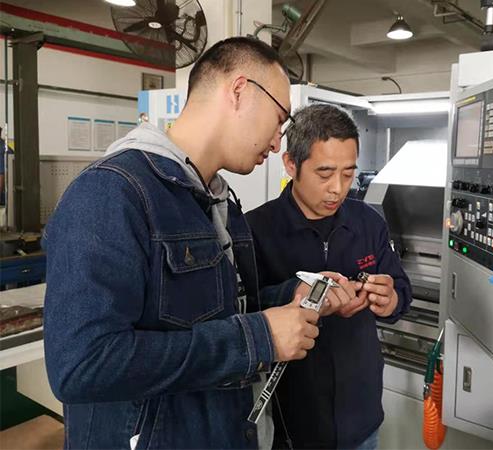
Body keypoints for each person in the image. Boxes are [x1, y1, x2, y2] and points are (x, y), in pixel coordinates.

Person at [42, 37, 320, 449]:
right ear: (239, 90)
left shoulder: (218, 200)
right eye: (279, 119)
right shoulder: (110, 193)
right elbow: (81, 365)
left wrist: (290, 296)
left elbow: (210, 310)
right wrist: (257, 338)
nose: (278, 142)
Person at [246, 104, 413, 449]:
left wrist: (391, 298)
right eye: (324, 174)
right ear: (291, 164)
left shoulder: (368, 223)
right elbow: (242, 310)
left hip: (361, 417)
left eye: (348, 174)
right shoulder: (254, 230)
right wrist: (296, 294)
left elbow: (401, 289)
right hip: (291, 425)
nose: (338, 188)